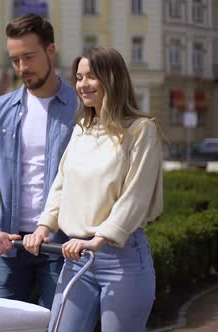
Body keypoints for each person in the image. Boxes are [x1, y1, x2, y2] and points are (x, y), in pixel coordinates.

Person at [23, 47, 163, 331]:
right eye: (78, 77)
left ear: (113, 79)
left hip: (122, 260)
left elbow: (134, 198)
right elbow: (61, 184)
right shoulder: (82, 128)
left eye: (91, 77)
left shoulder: (140, 131)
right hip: (77, 257)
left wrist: (98, 240)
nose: (82, 84)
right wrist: (42, 227)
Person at [0, 14, 78, 309]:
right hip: (10, 243)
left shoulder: (81, 109)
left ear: (51, 51)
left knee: (58, 325)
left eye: (29, 57)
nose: (22, 68)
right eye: (15, 60)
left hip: (61, 244)